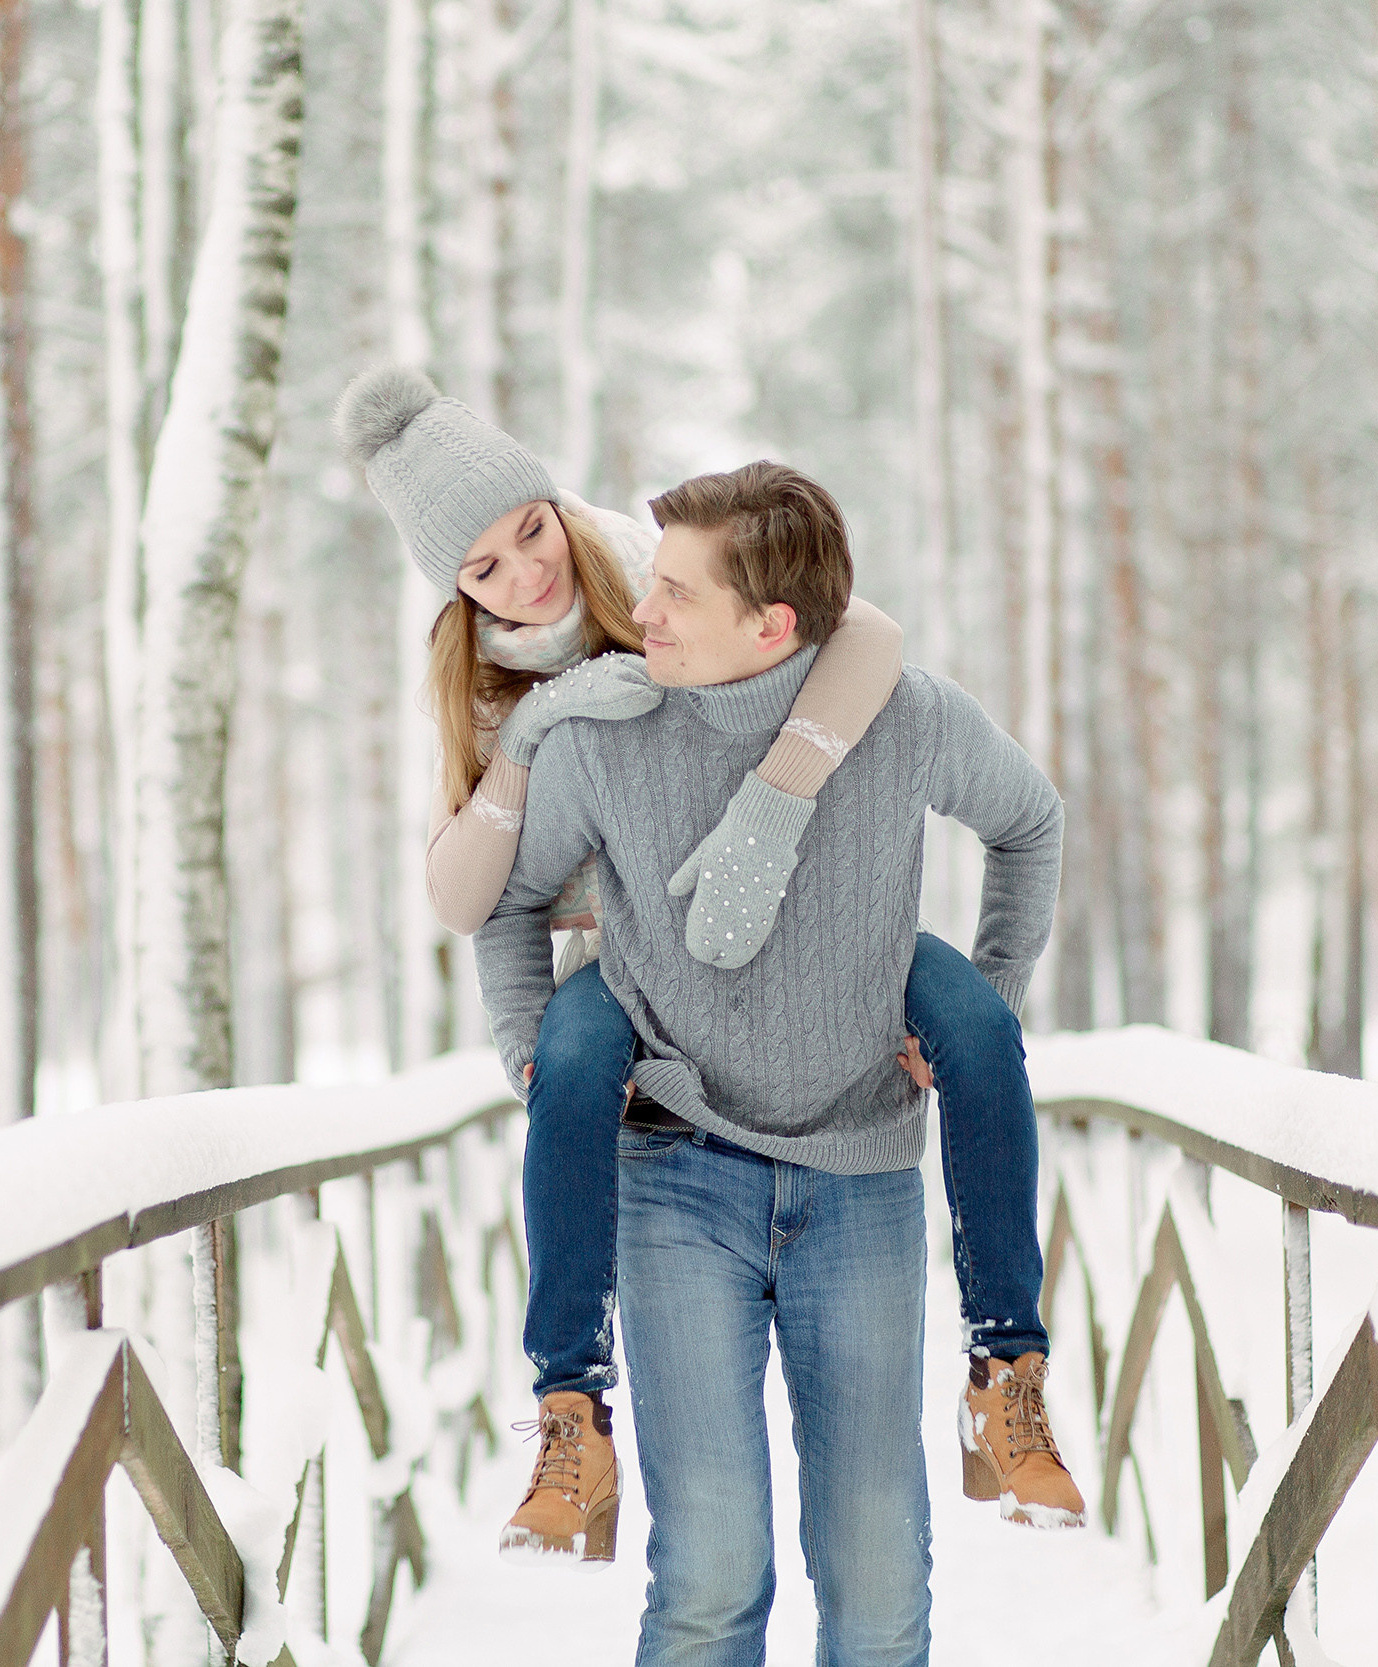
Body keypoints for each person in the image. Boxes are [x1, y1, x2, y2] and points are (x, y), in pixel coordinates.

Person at [333, 370, 1083, 1581]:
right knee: (567, 1062)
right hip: (634, 960)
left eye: (530, 528)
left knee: (977, 1026)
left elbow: (859, 636)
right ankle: (570, 1407)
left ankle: (1009, 1366)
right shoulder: (481, 689)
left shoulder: (649, 568)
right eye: (483, 567)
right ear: (451, 589)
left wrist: (775, 806)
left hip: (826, 938)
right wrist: (530, 750)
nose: (528, 573)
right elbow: (478, 898)